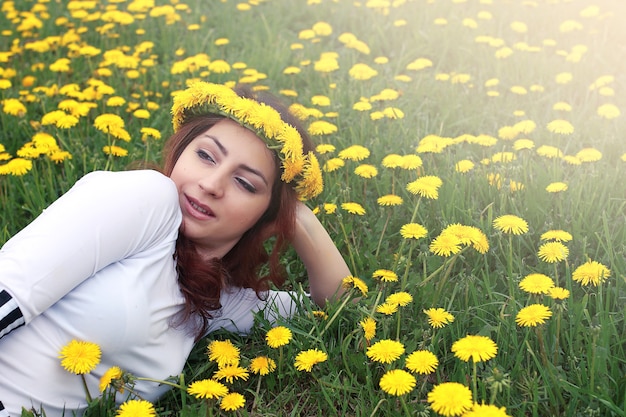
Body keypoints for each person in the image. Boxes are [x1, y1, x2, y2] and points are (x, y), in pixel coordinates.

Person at [0, 82, 351, 416]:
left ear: (266, 215)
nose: (211, 184)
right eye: (206, 155)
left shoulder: (213, 300)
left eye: (245, 183)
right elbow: (9, 289)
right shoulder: (147, 200)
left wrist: (298, 216)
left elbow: (338, 303)